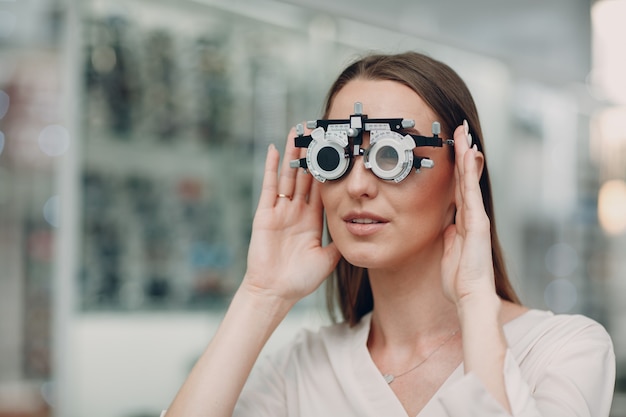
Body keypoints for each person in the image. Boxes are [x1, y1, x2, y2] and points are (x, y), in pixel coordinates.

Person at [162, 51, 615, 417]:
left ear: (463, 177)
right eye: (334, 156)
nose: (358, 185)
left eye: (390, 157)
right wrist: (261, 294)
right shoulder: (303, 369)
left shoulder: (564, 350)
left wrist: (476, 301)